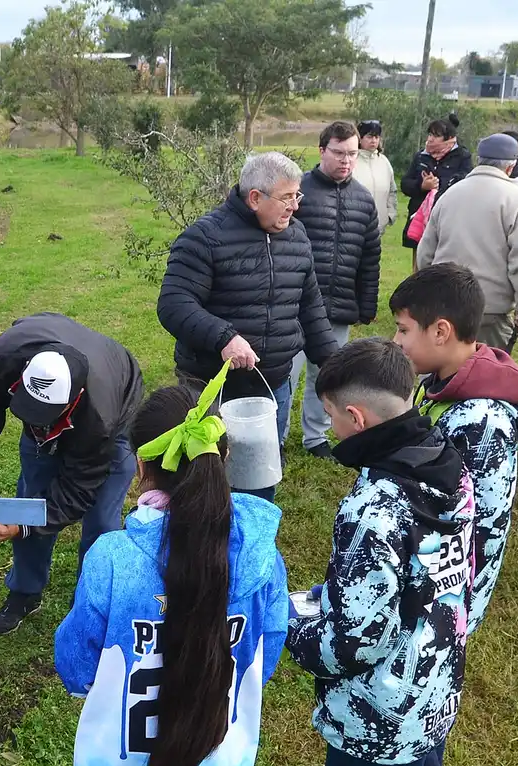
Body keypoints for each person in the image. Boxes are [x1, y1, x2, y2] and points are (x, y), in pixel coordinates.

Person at [54, 365, 289, 766]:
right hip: (214, 762)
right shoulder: (260, 558)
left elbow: (75, 663)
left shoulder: (112, 557)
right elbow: (264, 655)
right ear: (222, 461)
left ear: (140, 467)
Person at [268, 338, 472, 766]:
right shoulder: (448, 464)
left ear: (355, 418)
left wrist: (288, 627)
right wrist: (327, 596)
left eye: (330, 415)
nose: (329, 426)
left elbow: (356, 640)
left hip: (376, 706)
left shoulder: (375, 506)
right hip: (430, 687)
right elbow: (422, 584)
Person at [391, 263, 518, 766]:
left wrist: (426, 588)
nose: (397, 342)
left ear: (441, 331)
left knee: (415, 704)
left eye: (403, 330)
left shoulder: (482, 419)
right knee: (421, 698)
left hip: (449, 584)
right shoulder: (451, 385)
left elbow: (469, 519)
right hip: (442, 579)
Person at [157, 151, 337, 499]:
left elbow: (310, 307)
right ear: (255, 198)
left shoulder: (297, 237)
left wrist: (335, 367)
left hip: (272, 384)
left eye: (297, 196)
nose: (295, 206)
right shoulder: (205, 238)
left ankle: (253, 528)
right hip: (210, 387)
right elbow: (174, 304)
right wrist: (224, 338)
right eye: (287, 197)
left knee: (258, 478)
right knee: (206, 482)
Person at [0, 313, 144, 635]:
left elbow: (78, 490)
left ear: (73, 400)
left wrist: (20, 528)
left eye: (45, 416)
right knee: (31, 499)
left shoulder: (100, 418)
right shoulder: (4, 356)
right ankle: (25, 592)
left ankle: (91, 604)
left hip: (116, 409)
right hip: (68, 360)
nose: (38, 423)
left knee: (101, 520)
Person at [290, 121, 382, 462]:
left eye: (352, 154)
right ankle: (276, 434)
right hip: (293, 305)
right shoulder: (298, 191)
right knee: (286, 373)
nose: (346, 160)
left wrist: (366, 304)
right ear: (322, 150)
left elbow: (370, 258)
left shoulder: (364, 200)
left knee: (328, 375)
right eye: (339, 153)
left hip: (339, 306)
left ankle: (315, 436)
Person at [416, 133, 518, 352]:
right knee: (485, 370)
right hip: (489, 311)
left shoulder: (449, 195)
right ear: (510, 167)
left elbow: (425, 252)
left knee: (444, 368)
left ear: (479, 160)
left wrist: (428, 293)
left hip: (444, 304)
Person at [401, 113, 473, 261]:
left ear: (449, 138)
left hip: (449, 218)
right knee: (419, 267)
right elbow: (405, 184)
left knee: (445, 265)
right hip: (420, 220)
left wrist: (441, 184)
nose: (431, 139)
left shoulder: (462, 156)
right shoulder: (421, 156)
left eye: (436, 135)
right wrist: (422, 186)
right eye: (430, 134)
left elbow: (466, 183)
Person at [354, 119, 398, 236]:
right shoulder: (351, 161)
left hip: (379, 225)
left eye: (376, 137)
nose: (373, 141)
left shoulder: (384, 162)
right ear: (360, 138)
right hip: (355, 224)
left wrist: (390, 214)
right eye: (369, 137)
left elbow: (392, 190)